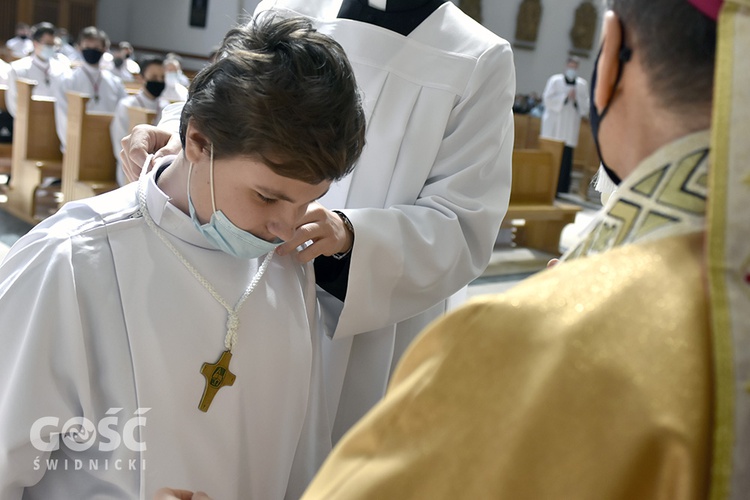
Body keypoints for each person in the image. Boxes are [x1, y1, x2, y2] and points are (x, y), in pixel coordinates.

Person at [288, 0, 749, 497]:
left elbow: (464, 225)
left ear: (609, 54)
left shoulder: (536, 344)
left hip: (374, 330)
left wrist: (355, 237)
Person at [0, 15, 365, 499]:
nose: (285, 227)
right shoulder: (69, 262)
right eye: (267, 197)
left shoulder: (285, 263)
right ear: (197, 142)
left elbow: (301, 450)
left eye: (305, 202)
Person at [121, 0, 515, 445]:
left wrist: (352, 235)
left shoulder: (479, 57)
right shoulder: (288, 5)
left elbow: (463, 222)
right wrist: (177, 132)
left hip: (365, 315)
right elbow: (230, 97)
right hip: (242, 272)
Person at [53, 26, 126, 150]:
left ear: (104, 49)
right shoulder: (67, 80)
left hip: (108, 144)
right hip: (77, 144)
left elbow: (122, 115)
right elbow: (63, 115)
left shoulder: (115, 82)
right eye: (87, 47)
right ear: (79, 48)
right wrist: (71, 144)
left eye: (97, 47)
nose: (91, 50)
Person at [110, 56, 169, 185]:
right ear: (141, 78)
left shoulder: (166, 107)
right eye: (154, 78)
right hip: (130, 169)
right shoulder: (127, 105)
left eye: (162, 78)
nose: (159, 81)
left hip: (159, 169)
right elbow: (119, 142)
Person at [540, 55, 590, 194]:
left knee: (565, 159)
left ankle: (561, 189)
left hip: (569, 128)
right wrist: (564, 97)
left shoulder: (581, 84)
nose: (572, 69)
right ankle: (545, 187)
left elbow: (585, 106)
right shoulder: (555, 80)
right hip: (554, 128)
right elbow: (547, 100)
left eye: (575, 67)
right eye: (571, 66)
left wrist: (575, 100)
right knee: (550, 157)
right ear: (566, 66)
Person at [5, 22, 70, 118]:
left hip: (56, 122)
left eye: (53, 44)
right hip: (28, 122)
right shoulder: (17, 68)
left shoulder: (63, 69)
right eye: (47, 44)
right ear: (35, 43)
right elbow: (13, 102)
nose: (51, 47)